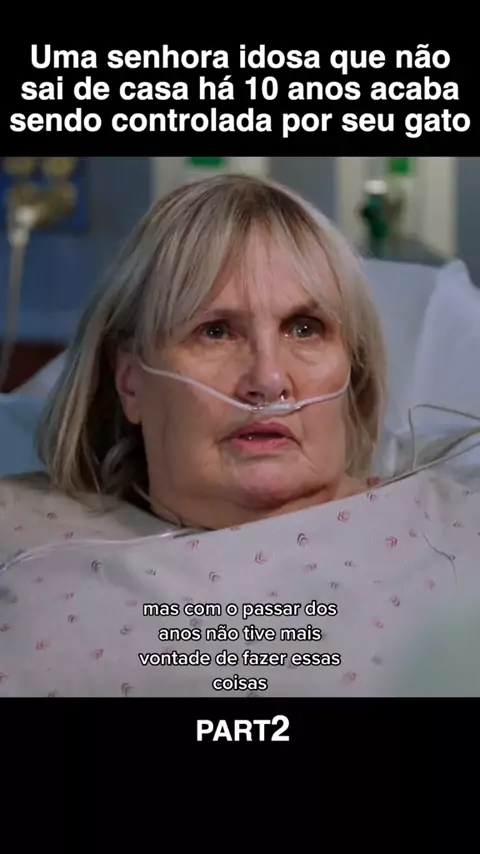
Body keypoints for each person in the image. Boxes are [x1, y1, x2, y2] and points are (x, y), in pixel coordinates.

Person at [0, 174, 479, 698]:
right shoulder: (21, 533)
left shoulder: (456, 532)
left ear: (353, 368)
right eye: (215, 331)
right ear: (130, 381)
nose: (268, 380)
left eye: (304, 328)